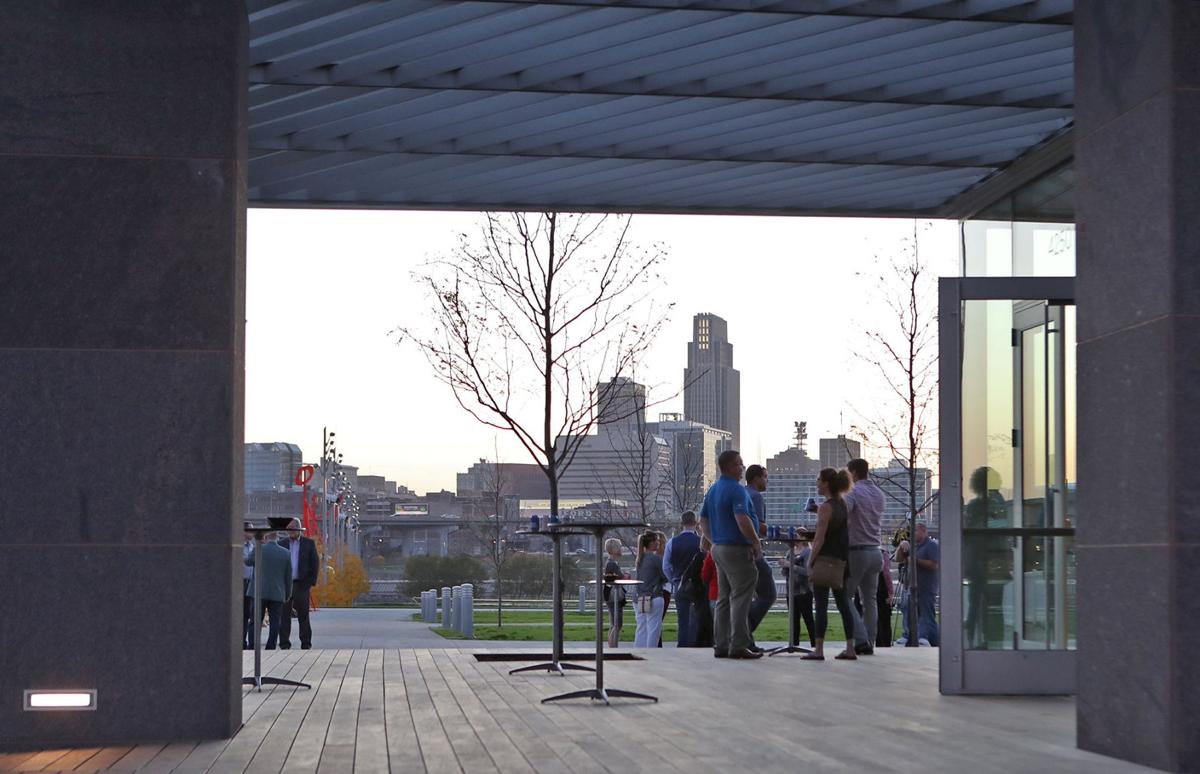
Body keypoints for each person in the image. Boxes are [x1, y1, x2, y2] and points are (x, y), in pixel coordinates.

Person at [699, 449, 763, 659]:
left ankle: (721, 644)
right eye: (739, 464)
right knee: (741, 597)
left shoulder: (713, 489)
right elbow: (742, 519)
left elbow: (704, 520)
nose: (742, 467)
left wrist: (713, 540)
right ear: (730, 467)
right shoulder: (736, 490)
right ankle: (738, 644)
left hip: (719, 549)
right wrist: (755, 542)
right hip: (737, 549)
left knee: (723, 598)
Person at [803, 467, 858, 661]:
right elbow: (837, 532)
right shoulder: (842, 504)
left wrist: (810, 562)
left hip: (825, 561)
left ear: (826, 483)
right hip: (842, 561)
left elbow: (819, 539)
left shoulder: (826, 507)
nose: (817, 483)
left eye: (819, 480)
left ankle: (818, 649)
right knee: (844, 604)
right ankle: (850, 647)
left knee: (821, 605)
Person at [843, 458, 885, 655]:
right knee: (870, 599)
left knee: (845, 596)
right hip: (876, 551)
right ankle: (870, 639)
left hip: (857, 551)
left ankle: (860, 640)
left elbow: (842, 513)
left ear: (854, 473)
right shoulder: (878, 493)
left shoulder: (853, 492)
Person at [244, 530, 293, 650]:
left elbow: (248, 561)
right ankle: (270, 646)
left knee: (255, 621)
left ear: (265, 537)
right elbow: (288, 576)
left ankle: (252, 645)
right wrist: (287, 594)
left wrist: (257, 545)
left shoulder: (259, 549)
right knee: (275, 621)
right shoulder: (286, 553)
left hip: (259, 592)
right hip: (277, 592)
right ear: (277, 538)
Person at [744, 464, 776, 644]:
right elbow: (760, 527)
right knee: (768, 594)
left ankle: (745, 636)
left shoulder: (742, 493)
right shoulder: (756, 497)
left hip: (736, 550)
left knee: (744, 595)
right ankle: (746, 632)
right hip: (753, 551)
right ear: (756, 478)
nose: (767, 480)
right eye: (765, 477)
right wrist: (781, 533)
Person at [277, 518, 320, 650]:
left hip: (302, 585)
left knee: (303, 615)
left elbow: (315, 563)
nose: (289, 532)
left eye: (292, 529)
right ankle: (284, 643)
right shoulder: (281, 543)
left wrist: (310, 582)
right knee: (284, 615)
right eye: (288, 529)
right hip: (285, 585)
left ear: (298, 528)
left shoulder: (308, 544)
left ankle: (306, 643)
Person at [662, 511, 703, 647]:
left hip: (679, 582)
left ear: (681, 523)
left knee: (682, 619)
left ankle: (682, 645)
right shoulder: (701, 542)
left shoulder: (672, 542)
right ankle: (694, 645)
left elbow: (666, 566)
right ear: (696, 523)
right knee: (696, 618)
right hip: (697, 585)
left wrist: (673, 579)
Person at [633, 531, 668, 647]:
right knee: (654, 629)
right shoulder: (656, 559)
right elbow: (665, 575)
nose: (658, 543)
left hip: (639, 597)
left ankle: (638, 651)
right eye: (657, 540)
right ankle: (651, 654)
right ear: (652, 543)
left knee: (641, 628)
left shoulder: (639, 559)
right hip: (654, 596)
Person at [781, 539, 816, 648]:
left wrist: (790, 565)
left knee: (808, 618)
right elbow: (784, 572)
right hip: (791, 592)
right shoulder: (789, 552)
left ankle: (815, 645)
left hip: (804, 591)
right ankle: (794, 644)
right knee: (793, 620)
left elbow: (807, 572)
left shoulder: (807, 552)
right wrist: (784, 566)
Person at [603, 538, 627, 648]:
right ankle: (613, 647)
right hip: (614, 596)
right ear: (613, 549)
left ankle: (611, 646)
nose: (621, 549)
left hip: (611, 595)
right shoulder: (612, 564)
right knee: (617, 623)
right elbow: (616, 578)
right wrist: (625, 576)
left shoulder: (611, 563)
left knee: (614, 623)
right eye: (619, 546)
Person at [242, 525, 256, 650]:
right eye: (250, 530)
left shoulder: (252, 547)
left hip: (250, 583)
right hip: (240, 582)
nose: (253, 532)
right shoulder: (239, 546)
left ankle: (244, 640)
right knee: (239, 614)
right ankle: (240, 641)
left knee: (247, 613)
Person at [655, 530, 669, 647]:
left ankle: (658, 644)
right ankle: (657, 644)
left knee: (658, 619)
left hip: (664, 589)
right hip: (661, 589)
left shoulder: (663, 557)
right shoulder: (658, 557)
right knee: (657, 620)